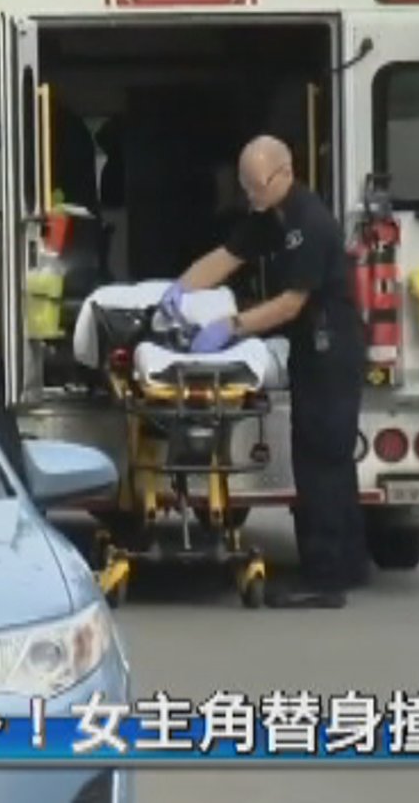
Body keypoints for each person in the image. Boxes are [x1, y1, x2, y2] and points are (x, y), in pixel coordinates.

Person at [161, 134, 370, 609]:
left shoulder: (309, 224)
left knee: (320, 462)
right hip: (312, 350)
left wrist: (231, 327)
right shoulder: (269, 218)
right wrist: (177, 291)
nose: (250, 194)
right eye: (245, 186)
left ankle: (324, 579)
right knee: (330, 459)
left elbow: (291, 304)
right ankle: (349, 564)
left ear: (285, 173)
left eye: (257, 185)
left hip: (331, 352)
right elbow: (226, 257)